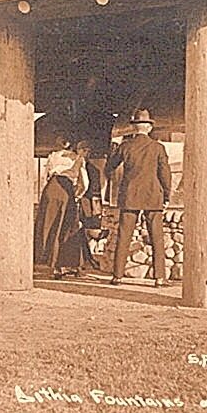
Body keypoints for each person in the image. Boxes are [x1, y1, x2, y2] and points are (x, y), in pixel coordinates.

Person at [106, 109, 171, 287]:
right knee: (157, 237)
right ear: (149, 128)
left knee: (124, 235)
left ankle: (117, 276)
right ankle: (159, 278)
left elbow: (110, 167)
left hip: (129, 196)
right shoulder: (158, 147)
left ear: (134, 128)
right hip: (153, 196)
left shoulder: (125, 147)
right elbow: (165, 174)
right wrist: (166, 194)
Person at [34, 135, 88, 278]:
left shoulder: (52, 156)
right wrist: (77, 195)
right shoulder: (77, 158)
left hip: (50, 191)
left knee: (49, 226)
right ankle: (65, 265)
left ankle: (50, 264)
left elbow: (45, 177)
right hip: (66, 191)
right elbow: (85, 183)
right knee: (68, 227)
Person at [76, 141, 103, 270]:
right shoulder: (72, 166)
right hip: (76, 202)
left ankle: (87, 258)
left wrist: (95, 207)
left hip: (87, 203)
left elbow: (95, 190)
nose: (87, 153)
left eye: (88, 151)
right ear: (79, 151)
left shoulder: (93, 169)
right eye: (84, 150)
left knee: (86, 230)